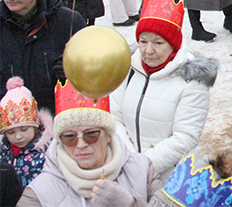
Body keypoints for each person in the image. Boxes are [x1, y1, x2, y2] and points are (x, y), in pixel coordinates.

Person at [109, 0, 217, 184]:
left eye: (158, 43)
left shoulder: (191, 80)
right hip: (125, 170)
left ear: (173, 45)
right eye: (143, 41)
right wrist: (128, 160)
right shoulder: (128, 69)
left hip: (170, 179)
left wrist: (142, 166)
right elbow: (114, 116)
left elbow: (185, 137)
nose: (148, 50)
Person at [19, 82, 161, 207]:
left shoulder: (142, 169)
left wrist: (131, 205)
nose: (80, 144)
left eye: (91, 134)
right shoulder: (38, 193)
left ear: (108, 135)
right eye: (70, 137)